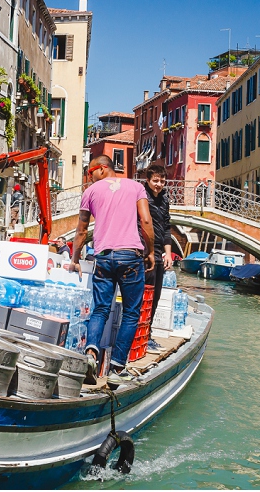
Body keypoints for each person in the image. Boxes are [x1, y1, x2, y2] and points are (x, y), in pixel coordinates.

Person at [70, 155, 155, 388]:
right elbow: (146, 222)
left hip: (104, 257)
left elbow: (81, 230)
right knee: (130, 313)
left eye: (90, 173)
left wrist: (75, 258)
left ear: (102, 168)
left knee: (100, 309)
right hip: (130, 257)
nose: (89, 178)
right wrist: (150, 252)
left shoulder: (91, 193)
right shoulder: (137, 187)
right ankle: (117, 368)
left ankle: (91, 355)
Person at [142, 164, 172, 352]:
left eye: (162, 181)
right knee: (144, 296)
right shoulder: (141, 197)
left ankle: (148, 335)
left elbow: (167, 227)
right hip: (145, 253)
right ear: (148, 180)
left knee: (155, 297)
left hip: (160, 254)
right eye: (155, 180)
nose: (159, 184)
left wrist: (168, 253)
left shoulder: (164, 201)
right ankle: (141, 335)